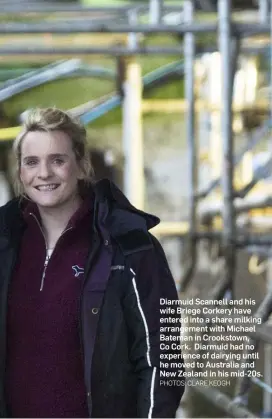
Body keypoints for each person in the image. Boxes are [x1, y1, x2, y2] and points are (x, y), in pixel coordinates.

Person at [0, 108, 184, 418]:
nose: (43, 173)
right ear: (20, 172)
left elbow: (162, 360)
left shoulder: (131, 247)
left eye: (57, 160)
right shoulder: (6, 243)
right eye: (31, 162)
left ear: (82, 166)